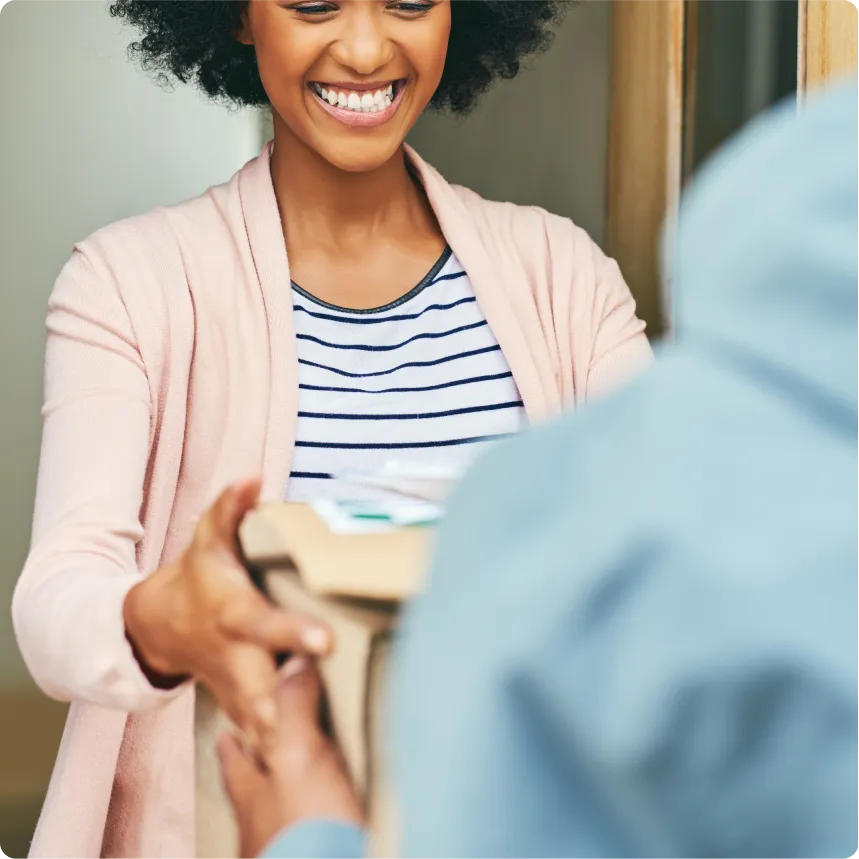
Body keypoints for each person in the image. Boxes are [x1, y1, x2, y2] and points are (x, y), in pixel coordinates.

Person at [11, 0, 652, 857]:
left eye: (410, 2)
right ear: (237, 17)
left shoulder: (564, 278)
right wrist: (165, 617)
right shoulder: (129, 283)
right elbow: (57, 598)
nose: (362, 48)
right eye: (313, 4)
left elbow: (666, 562)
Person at [219, 79, 858, 859]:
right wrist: (147, 622)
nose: (362, 46)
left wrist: (306, 842)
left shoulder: (555, 498)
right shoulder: (139, 273)